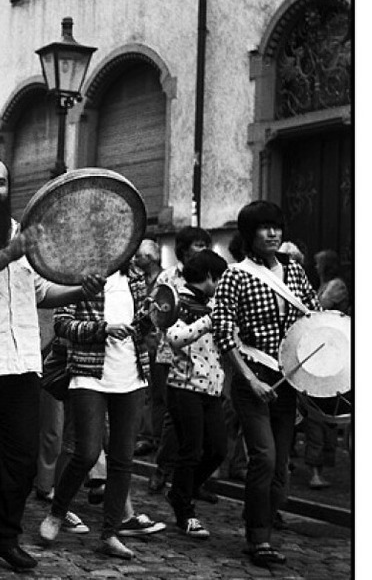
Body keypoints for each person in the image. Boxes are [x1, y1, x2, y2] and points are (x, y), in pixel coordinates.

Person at [0, 156, 103, 573]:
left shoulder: (25, 236)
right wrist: (11, 252)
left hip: (21, 364)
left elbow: (41, 292)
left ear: (10, 190)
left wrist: (83, 288)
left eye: (0, 183)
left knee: (22, 462)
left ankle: (2, 535)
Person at [212, 200, 319, 567]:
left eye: (277, 226)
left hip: (287, 381)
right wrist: (250, 378)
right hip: (252, 379)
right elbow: (224, 333)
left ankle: (261, 521)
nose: (272, 233)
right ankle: (258, 539)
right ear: (249, 234)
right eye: (264, 227)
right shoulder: (235, 275)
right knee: (265, 456)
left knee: (281, 468)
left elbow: (313, 319)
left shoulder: (295, 273)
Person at [38, 258, 158, 560]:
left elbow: (143, 327)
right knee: (87, 452)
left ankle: (110, 533)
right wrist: (103, 329)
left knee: (122, 458)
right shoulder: (80, 274)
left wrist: (154, 319)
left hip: (131, 374)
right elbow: (62, 324)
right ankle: (56, 512)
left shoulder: (136, 277)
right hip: (89, 373)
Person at [164, 250, 229, 539]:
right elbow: (175, 338)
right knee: (190, 450)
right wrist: (208, 321)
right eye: (220, 278)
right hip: (184, 386)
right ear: (210, 277)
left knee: (217, 449)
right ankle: (185, 512)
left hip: (212, 387)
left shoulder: (212, 304)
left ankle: (181, 491)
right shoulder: (178, 301)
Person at [148, 226, 213, 494]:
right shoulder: (169, 276)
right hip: (170, 353)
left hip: (206, 358)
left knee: (201, 421)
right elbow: (154, 309)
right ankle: (163, 469)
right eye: (198, 245)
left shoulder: (212, 277)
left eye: (205, 244)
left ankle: (193, 479)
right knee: (172, 418)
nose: (203, 249)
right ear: (184, 249)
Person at [304, 249, 349, 489]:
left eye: (317, 263)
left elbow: (318, 309)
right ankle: (314, 468)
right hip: (320, 349)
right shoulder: (324, 284)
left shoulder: (334, 286)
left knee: (323, 412)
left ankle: (318, 467)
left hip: (329, 350)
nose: (314, 266)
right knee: (315, 414)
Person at [132, 238, 162, 458]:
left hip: (159, 341)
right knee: (145, 389)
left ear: (149, 258)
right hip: (142, 339)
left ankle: (154, 435)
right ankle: (145, 435)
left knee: (158, 392)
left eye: (139, 256)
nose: (135, 259)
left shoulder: (164, 280)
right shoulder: (138, 280)